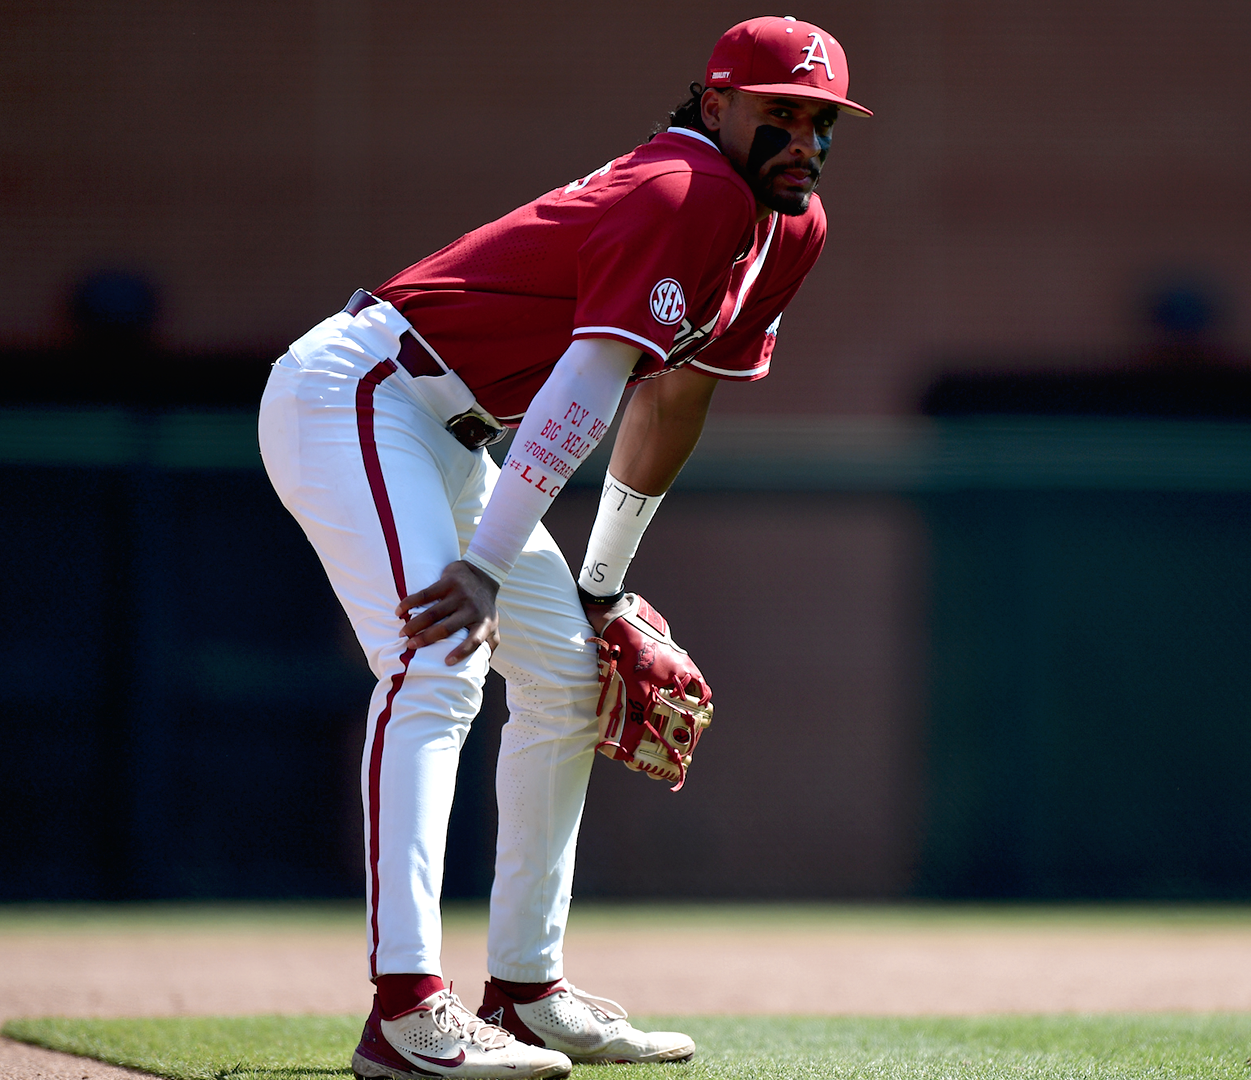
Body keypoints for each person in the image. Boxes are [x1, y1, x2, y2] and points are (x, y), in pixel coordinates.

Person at [256, 16, 870, 1080]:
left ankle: (527, 991)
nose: (803, 140)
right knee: (434, 658)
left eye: (820, 121)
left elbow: (674, 397)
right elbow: (589, 379)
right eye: (780, 113)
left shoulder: (790, 225)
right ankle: (405, 1013)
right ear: (715, 104)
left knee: (572, 672)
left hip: (454, 432)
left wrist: (601, 583)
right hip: (361, 391)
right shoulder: (690, 188)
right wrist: (487, 566)